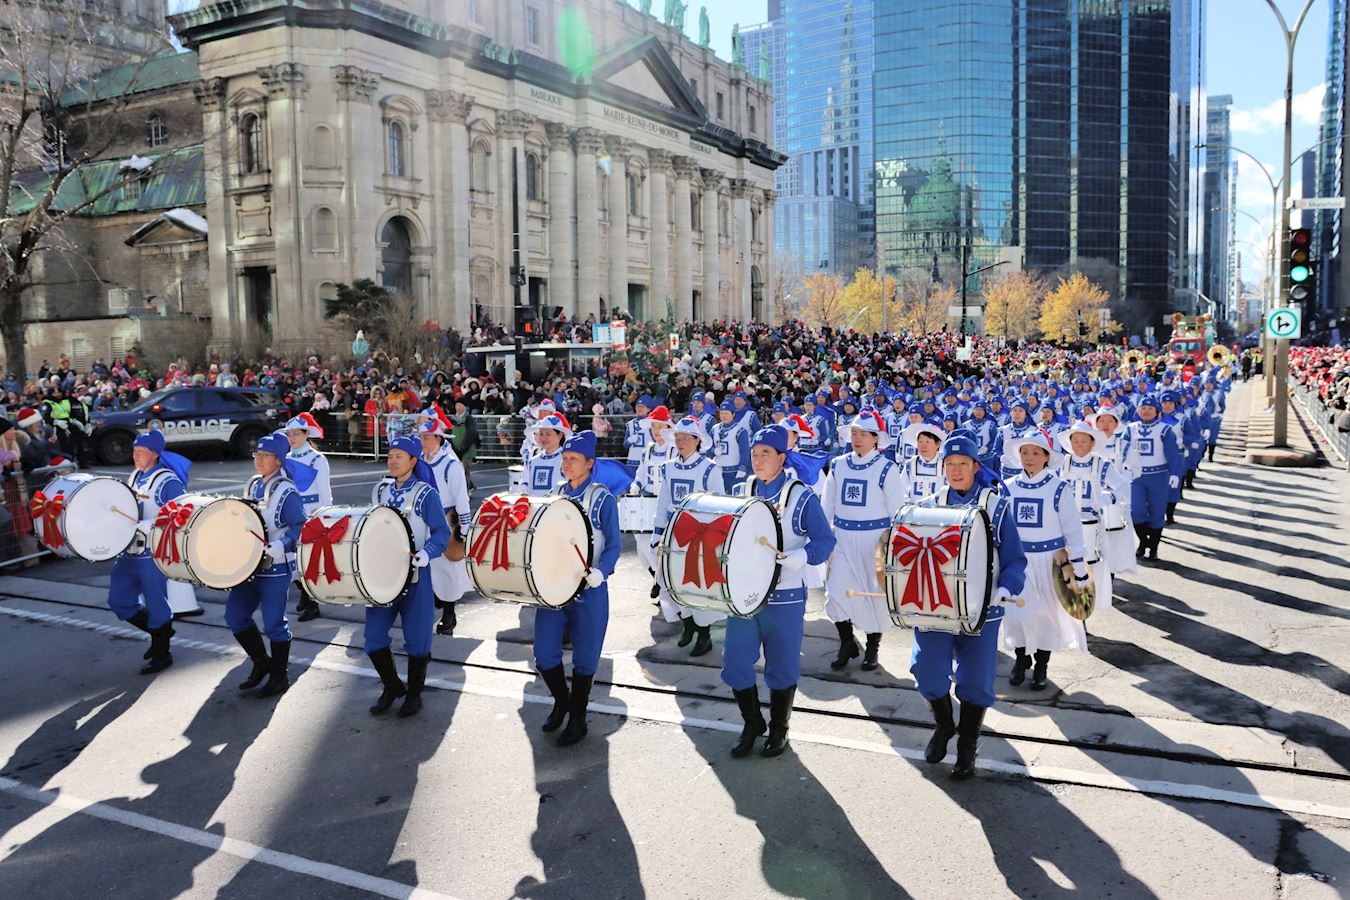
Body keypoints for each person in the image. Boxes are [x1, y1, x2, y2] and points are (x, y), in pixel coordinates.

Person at [910, 432, 1026, 778]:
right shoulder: (929, 506)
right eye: (950, 464)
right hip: (936, 607)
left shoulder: (996, 506)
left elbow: (1015, 560)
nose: (956, 470)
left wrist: (1006, 587)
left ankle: (967, 747)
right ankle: (945, 725)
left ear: (976, 466)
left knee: (975, 681)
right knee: (927, 672)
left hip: (982, 610)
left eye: (963, 464)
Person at [724, 426, 836, 758]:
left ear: (782, 458)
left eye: (766, 454)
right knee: (735, 663)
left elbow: (825, 542)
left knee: (782, 666)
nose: (757, 460)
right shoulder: (742, 489)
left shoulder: (801, 495)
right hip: (743, 596)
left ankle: (779, 728)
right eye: (755, 453)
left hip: (785, 595)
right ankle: (752, 722)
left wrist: (798, 558)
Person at [534, 431, 620, 746]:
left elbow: (612, 545)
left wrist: (602, 571)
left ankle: (578, 718)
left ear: (589, 463)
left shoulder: (602, 497)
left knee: (585, 658)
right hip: (554, 588)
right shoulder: (555, 495)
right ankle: (563, 702)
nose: (567, 464)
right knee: (543, 654)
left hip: (589, 588)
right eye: (564, 458)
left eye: (573, 459)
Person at [366, 436, 452, 717]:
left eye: (399, 456)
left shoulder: (426, 494)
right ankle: (392, 686)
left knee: (417, 640)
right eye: (390, 455)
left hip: (415, 576)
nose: (392, 460)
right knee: (373, 638)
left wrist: (427, 553)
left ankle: (414, 694)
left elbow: (442, 532)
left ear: (413, 461)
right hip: (382, 574)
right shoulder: (380, 490)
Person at [1000, 430, 1091, 690]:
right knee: (1016, 614)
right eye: (1025, 452)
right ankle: (1021, 658)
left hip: (1049, 562)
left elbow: (1072, 531)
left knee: (1046, 615)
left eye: (1035, 452)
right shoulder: (1007, 488)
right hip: (1017, 561)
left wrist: (1079, 568)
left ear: (1047, 457)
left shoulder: (1059, 488)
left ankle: (1041, 664)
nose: (1029, 457)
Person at [821, 412, 904, 672]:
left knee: (875, 595)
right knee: (836, 591)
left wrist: (891, 544)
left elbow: (897, 510)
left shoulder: (887, 468)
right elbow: (827, 504)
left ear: (875, 439)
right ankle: (847, 642)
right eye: (854, 433)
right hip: (843, 539)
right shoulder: (838, 464)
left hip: (875, 540)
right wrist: (825, 536)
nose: (857, 438)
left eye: (863, 434)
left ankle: (872, 647)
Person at [227, 433, 305, 698]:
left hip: (275, 567)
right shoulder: (252, 485)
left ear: (279, 460)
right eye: (256, 455)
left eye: (265, 456)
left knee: (274, 624)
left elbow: (300, 526)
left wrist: (282, 544)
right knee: (235, 617)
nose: (258, 460)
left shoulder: (287, 491)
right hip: (249, 566)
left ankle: (280, 677)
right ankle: (262, 664)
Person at [107, 430, 191, 674]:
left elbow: (183, 515)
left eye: (141, 452)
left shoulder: (167, 481)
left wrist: (153, 524)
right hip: (130, 550)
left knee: (156, 602)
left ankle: (162, 652)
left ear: (155, 454)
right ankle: (161, 633)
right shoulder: (136, 476)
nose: (135, 456)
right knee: (119, 600)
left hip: (153, 552)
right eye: (134, 451)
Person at [651, 415, 722, 655]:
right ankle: (688, 625)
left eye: (685, 438)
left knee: (697, 586)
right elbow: (663, 502)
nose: (680, 442)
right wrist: (657, 531)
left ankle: (704, 634)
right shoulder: (668, 468)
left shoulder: (710, 468)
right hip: (673, 535)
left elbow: (718, 506)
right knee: (671, 585)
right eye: (677, 438)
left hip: (699, 537)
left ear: (697, 440)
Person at [1057, 421, 1129, 613]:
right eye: (1075, 441)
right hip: (1064, 524)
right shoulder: (1063, 463)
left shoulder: (1102, 464)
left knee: (1090, 570)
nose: (1079, 445)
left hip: (1092, 526)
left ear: (1091, 443)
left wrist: (1107, 498)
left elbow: (1123, 487)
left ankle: (1084, 609)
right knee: (1064, 569)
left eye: (1084, 441)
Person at [419, 408, 472, 636]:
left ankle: (449, 614)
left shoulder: (451, 464)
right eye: (420, 437)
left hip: (446, 520)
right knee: (426, 566)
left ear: (438, 438)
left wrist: (465, 527)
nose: (422, 441)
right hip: (422, 520)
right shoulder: (419, 461)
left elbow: (461, 497)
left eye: (426, 437)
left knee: (448, 567)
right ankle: (429, 610)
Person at [1121, 394, 1183, 562]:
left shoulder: (1165, 429)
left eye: (1150, 408)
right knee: (1136, 513)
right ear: (1138, 410)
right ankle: (1143, 542)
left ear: (1156, 410)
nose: (1146, 411)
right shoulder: (1130, 428)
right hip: (1137, 477)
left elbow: (1172, 454)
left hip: (1159, 476)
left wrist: (1175, 473)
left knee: (1156, 513)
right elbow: (1121, 451)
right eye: (1143, 408)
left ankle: (1153, 548)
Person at [284, 413, 332, 623]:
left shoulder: (317, 459)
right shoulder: (286, 458)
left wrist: (324, 514)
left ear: (306, 434)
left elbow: (324, 491)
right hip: (292, 513)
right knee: (290, 558)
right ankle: (306, 595)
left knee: (307, 560)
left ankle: (311, 603)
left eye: (296, 434)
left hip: (311, 512)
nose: (292, 438)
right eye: (289, 434)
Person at [633, 405, 677, 599]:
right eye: (654, 427)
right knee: (642, 545)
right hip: (648, 499)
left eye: (660, 427)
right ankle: (656, 578)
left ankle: (663, 583)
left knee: (661, 544)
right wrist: (635, 485)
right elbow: (641, 473)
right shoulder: (648, 450)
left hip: (665, 503)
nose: (656, 431)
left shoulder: (674, 450)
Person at [523, 412, 570, 495]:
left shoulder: (567, 459)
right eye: (541, 434)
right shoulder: (533, 461)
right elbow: (526, 484)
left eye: (548, 434)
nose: (543, 438)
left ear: (560, 435)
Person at [898, 422, 946, 501]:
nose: (923, 446)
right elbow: (901, 488)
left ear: (937, 444)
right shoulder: (910, 464)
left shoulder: (945, 465)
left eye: (928, 442)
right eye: (920, 442)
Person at [711, 398, 750, 492]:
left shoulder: (740, 430)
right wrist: (713, 451)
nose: (724, 416)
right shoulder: (715, 429)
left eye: (726, 413)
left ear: (733, 414)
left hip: (733, 471)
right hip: (717, 469)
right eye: (722, 413)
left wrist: (743, 467)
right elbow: (708, 446)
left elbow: (744, 451)